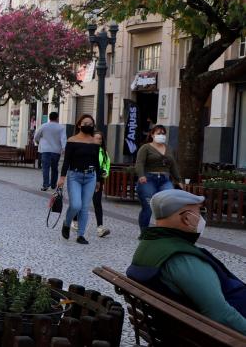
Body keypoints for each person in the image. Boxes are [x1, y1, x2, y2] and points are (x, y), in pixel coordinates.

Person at [127, 190, 246, 334]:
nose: (201, 218)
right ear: (187, 218)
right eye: (199, 211)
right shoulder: (182, 258)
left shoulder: (150, 245)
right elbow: (221, 314)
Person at [56, 114, 101, 244]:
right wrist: (62, 177)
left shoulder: (95, 142)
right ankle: (67, 223)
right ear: (79, 125)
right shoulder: (72, 140)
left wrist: (97, 179)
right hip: (74, 176)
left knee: (85, 207)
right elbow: (67, 161)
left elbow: (96, 161)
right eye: (85, 123)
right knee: (76, 204)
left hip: (91, 176)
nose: (88, 126)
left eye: (90, 124)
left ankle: (81, 235)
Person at [135, 124, 181, 232]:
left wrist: (179, 180)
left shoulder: (169, 148)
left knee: (168, 204)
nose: (161, 135)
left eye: (163, 133)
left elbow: (173, 165)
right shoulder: (145, 148)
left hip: (164, 179)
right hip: (148, 179)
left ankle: (164, 230)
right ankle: (144, 231)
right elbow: (139, 163)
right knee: (148, 206)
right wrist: (141, 175)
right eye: (158, 133)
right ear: (152, 135)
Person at [72, 130, 111, 238]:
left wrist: (105, 173)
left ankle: (100, 227)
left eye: (100, 138)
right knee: (80, 202)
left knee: (97, 203)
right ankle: (75, 220)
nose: (98, 140)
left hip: (99, 179)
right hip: (87, 179)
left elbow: (106, 164)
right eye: (96, 138)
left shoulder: (104, 152)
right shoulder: (87, 149)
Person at [34, 111, 67, 191]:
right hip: (56, 151)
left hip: (45, 150)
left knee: (45, 168)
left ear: (49, 118)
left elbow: (36, 136)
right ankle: (53, 184)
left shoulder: (43, 126)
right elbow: (63, 138)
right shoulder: (61, 127)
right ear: (57, 118)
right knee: (54, 168)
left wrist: (38, 142)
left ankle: (45, 185)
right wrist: (64, 148)